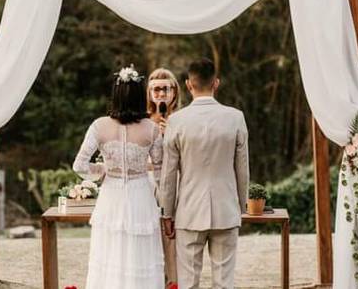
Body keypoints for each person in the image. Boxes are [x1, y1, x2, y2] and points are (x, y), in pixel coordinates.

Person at [159, 58, 249, 289]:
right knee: (224, 282)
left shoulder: (176, 121)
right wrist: (241, 207)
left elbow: (168, 175)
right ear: (216, 83)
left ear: (188, 85)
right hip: (226, 209)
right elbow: (242, 169)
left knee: (188, 282)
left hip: (188, 211)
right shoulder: (235, 117)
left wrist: (167, 213)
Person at [73, 65, 164, 289]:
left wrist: (102, 170)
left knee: (110, 252)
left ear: (116, 95)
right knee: (139, 254)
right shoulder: (151, 129)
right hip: (141, 196)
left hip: (111, 197)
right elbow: (163, 172)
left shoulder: (99, 126)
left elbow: (79, 165)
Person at [147, 68, 181, 287]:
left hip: (177, 186)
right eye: (155, 89)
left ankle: (175, 282)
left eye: (165, 88)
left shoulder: (183, 119)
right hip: (149, 187)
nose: (160, 94)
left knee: (173, 243)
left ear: (174, 91)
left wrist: (171, 133)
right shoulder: (141, 121)